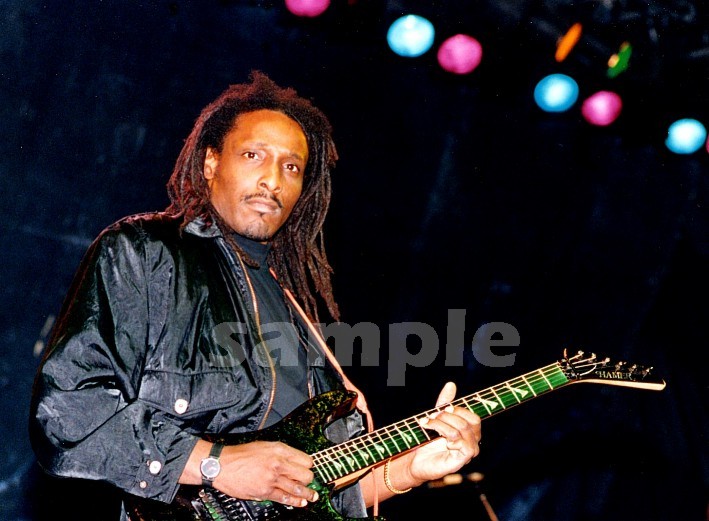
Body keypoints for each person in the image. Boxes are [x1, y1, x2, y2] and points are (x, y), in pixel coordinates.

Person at [29, 71, 481, 520]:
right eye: (253, 155)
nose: (272, 180)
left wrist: (409, 469)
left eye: (291, 167)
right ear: (211, 163)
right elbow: (68, 411)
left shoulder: (297, 315)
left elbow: (314, 490)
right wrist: (214, 462)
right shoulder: (147, 251)